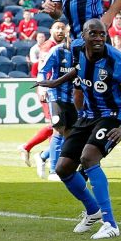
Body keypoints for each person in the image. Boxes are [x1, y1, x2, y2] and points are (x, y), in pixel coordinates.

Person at [40, 19, 121, 239]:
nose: (98, 38)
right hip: (88, 116)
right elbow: (78, 69)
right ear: (83, 36)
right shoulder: (76, 48)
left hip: (113, 116)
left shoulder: (117, 61)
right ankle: (93, 210)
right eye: (93, 34)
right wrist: (57, 82)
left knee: (88, 158)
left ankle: (111, 224)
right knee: (63, 168)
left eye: (102, 34)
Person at [33, 23, 74, 180]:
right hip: (56, 94)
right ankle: (54, 171)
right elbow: (42, 70)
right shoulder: (57, 51)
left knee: (72, 133)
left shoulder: (81, 52)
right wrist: (42, 88)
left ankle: (43, 156)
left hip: (73, 97)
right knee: (59, 129)